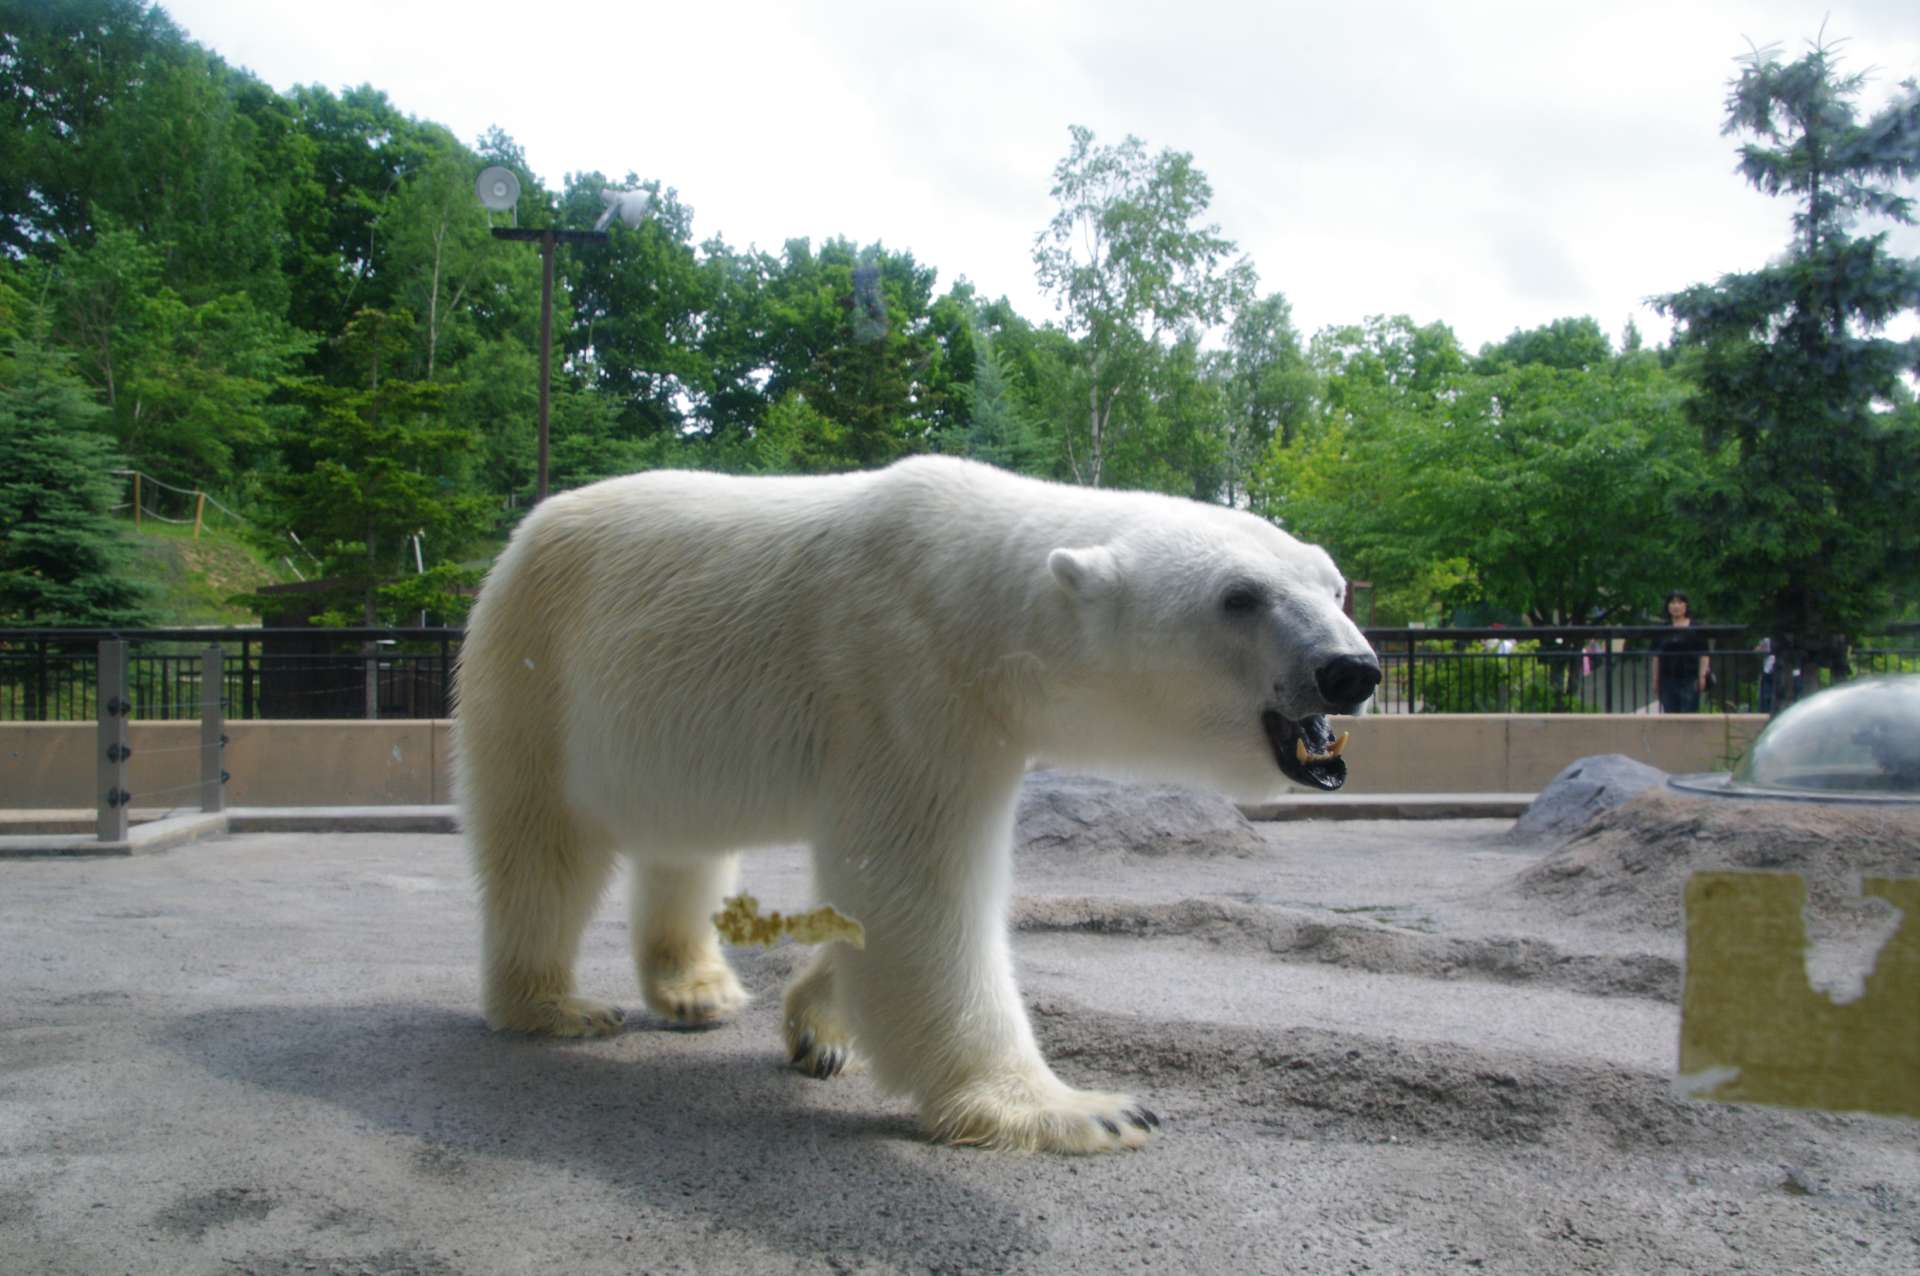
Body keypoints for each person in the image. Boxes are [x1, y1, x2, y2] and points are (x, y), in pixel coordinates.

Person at [1652, 590, 1710, 713]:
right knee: (1670, 714)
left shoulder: (1696, 627)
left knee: (1689, 713)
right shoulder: (1662, 629)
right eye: (1672, 603)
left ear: (1686, 605)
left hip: (1690, 677)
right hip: (1667, 678)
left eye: (1679, 602)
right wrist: (1655, 679)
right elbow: (1656, 656)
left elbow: (1704, 654)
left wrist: (1702, 676)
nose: (1676, 606)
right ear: (1667, 606)